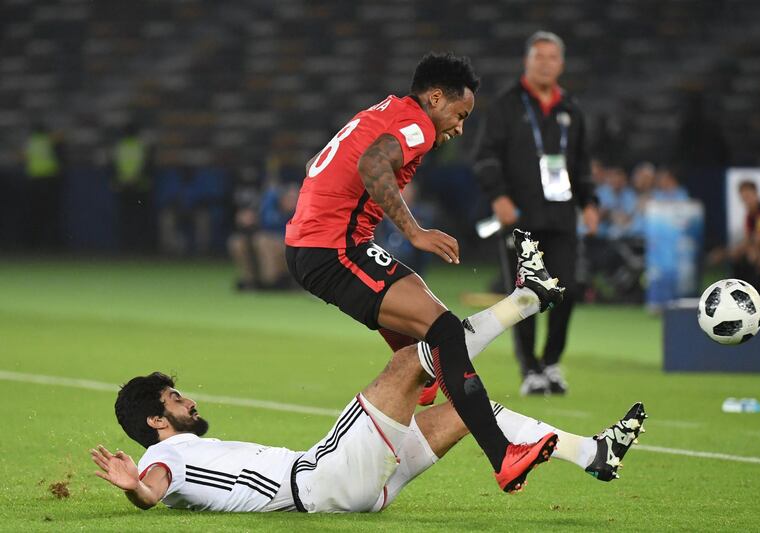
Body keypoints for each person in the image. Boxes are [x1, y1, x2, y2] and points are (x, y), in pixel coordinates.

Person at [90, 286, 647, 513]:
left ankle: (593, 455)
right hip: (319, 480)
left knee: (467, 411)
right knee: (412, 359)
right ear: (156, 420)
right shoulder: (164, 457)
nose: (187, 400)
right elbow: (152, 491)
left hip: (350, 488)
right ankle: (526, 300)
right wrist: (135, 486)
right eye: (174, 397)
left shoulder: (179, 451)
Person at [285, 51, 565, 492]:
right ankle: (502, 454)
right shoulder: (413, 122)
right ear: (435, 98)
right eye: (459, 114)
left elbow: (317, 164)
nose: (459, 127)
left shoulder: (381, 112)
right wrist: (413, 232)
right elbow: (372, 164)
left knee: (432, 332)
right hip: (333, 250)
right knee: (447, 333)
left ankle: (427, 376)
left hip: (326, 244)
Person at [473, 31, 599, 396]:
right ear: (526, 61)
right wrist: (498, 196)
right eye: (538, 57)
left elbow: (582, 164)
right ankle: (530, 370)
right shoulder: (507, 106)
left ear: (561, 64)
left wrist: (590, 203)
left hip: (561, 216)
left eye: (552, 58)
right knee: (525, 295)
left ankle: (552, 363)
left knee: (568, 290)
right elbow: (484, 157)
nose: (545, 63)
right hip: (520, 218)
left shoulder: (571, 110)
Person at [112, 122, 155, 252]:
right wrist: (135, 179)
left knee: (126, 218)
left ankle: (127, 246)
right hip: (140, 187)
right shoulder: (142, 146)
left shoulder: (119, 146)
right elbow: (148, 165)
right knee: (139, 218)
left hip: (125, 187)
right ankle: (140, 246)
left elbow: (114, 167)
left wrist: (121, 181)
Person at [23, 122, 65, 249]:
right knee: (51, 214)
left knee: (36, 214)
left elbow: (22, 157)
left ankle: (34, 244)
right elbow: (61, 136)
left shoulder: (30, 142)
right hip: (49, 180)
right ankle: (52, 244)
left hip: (34, 181)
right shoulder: (48, 140)